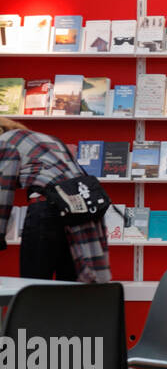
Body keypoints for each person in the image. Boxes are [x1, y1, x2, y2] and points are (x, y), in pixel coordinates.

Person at [0, 117, 110, 283]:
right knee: (71, 286)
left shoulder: (6, 142)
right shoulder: (47, 139)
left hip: (47, 209)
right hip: (80, 209)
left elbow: (3, 191)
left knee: (34, 284)